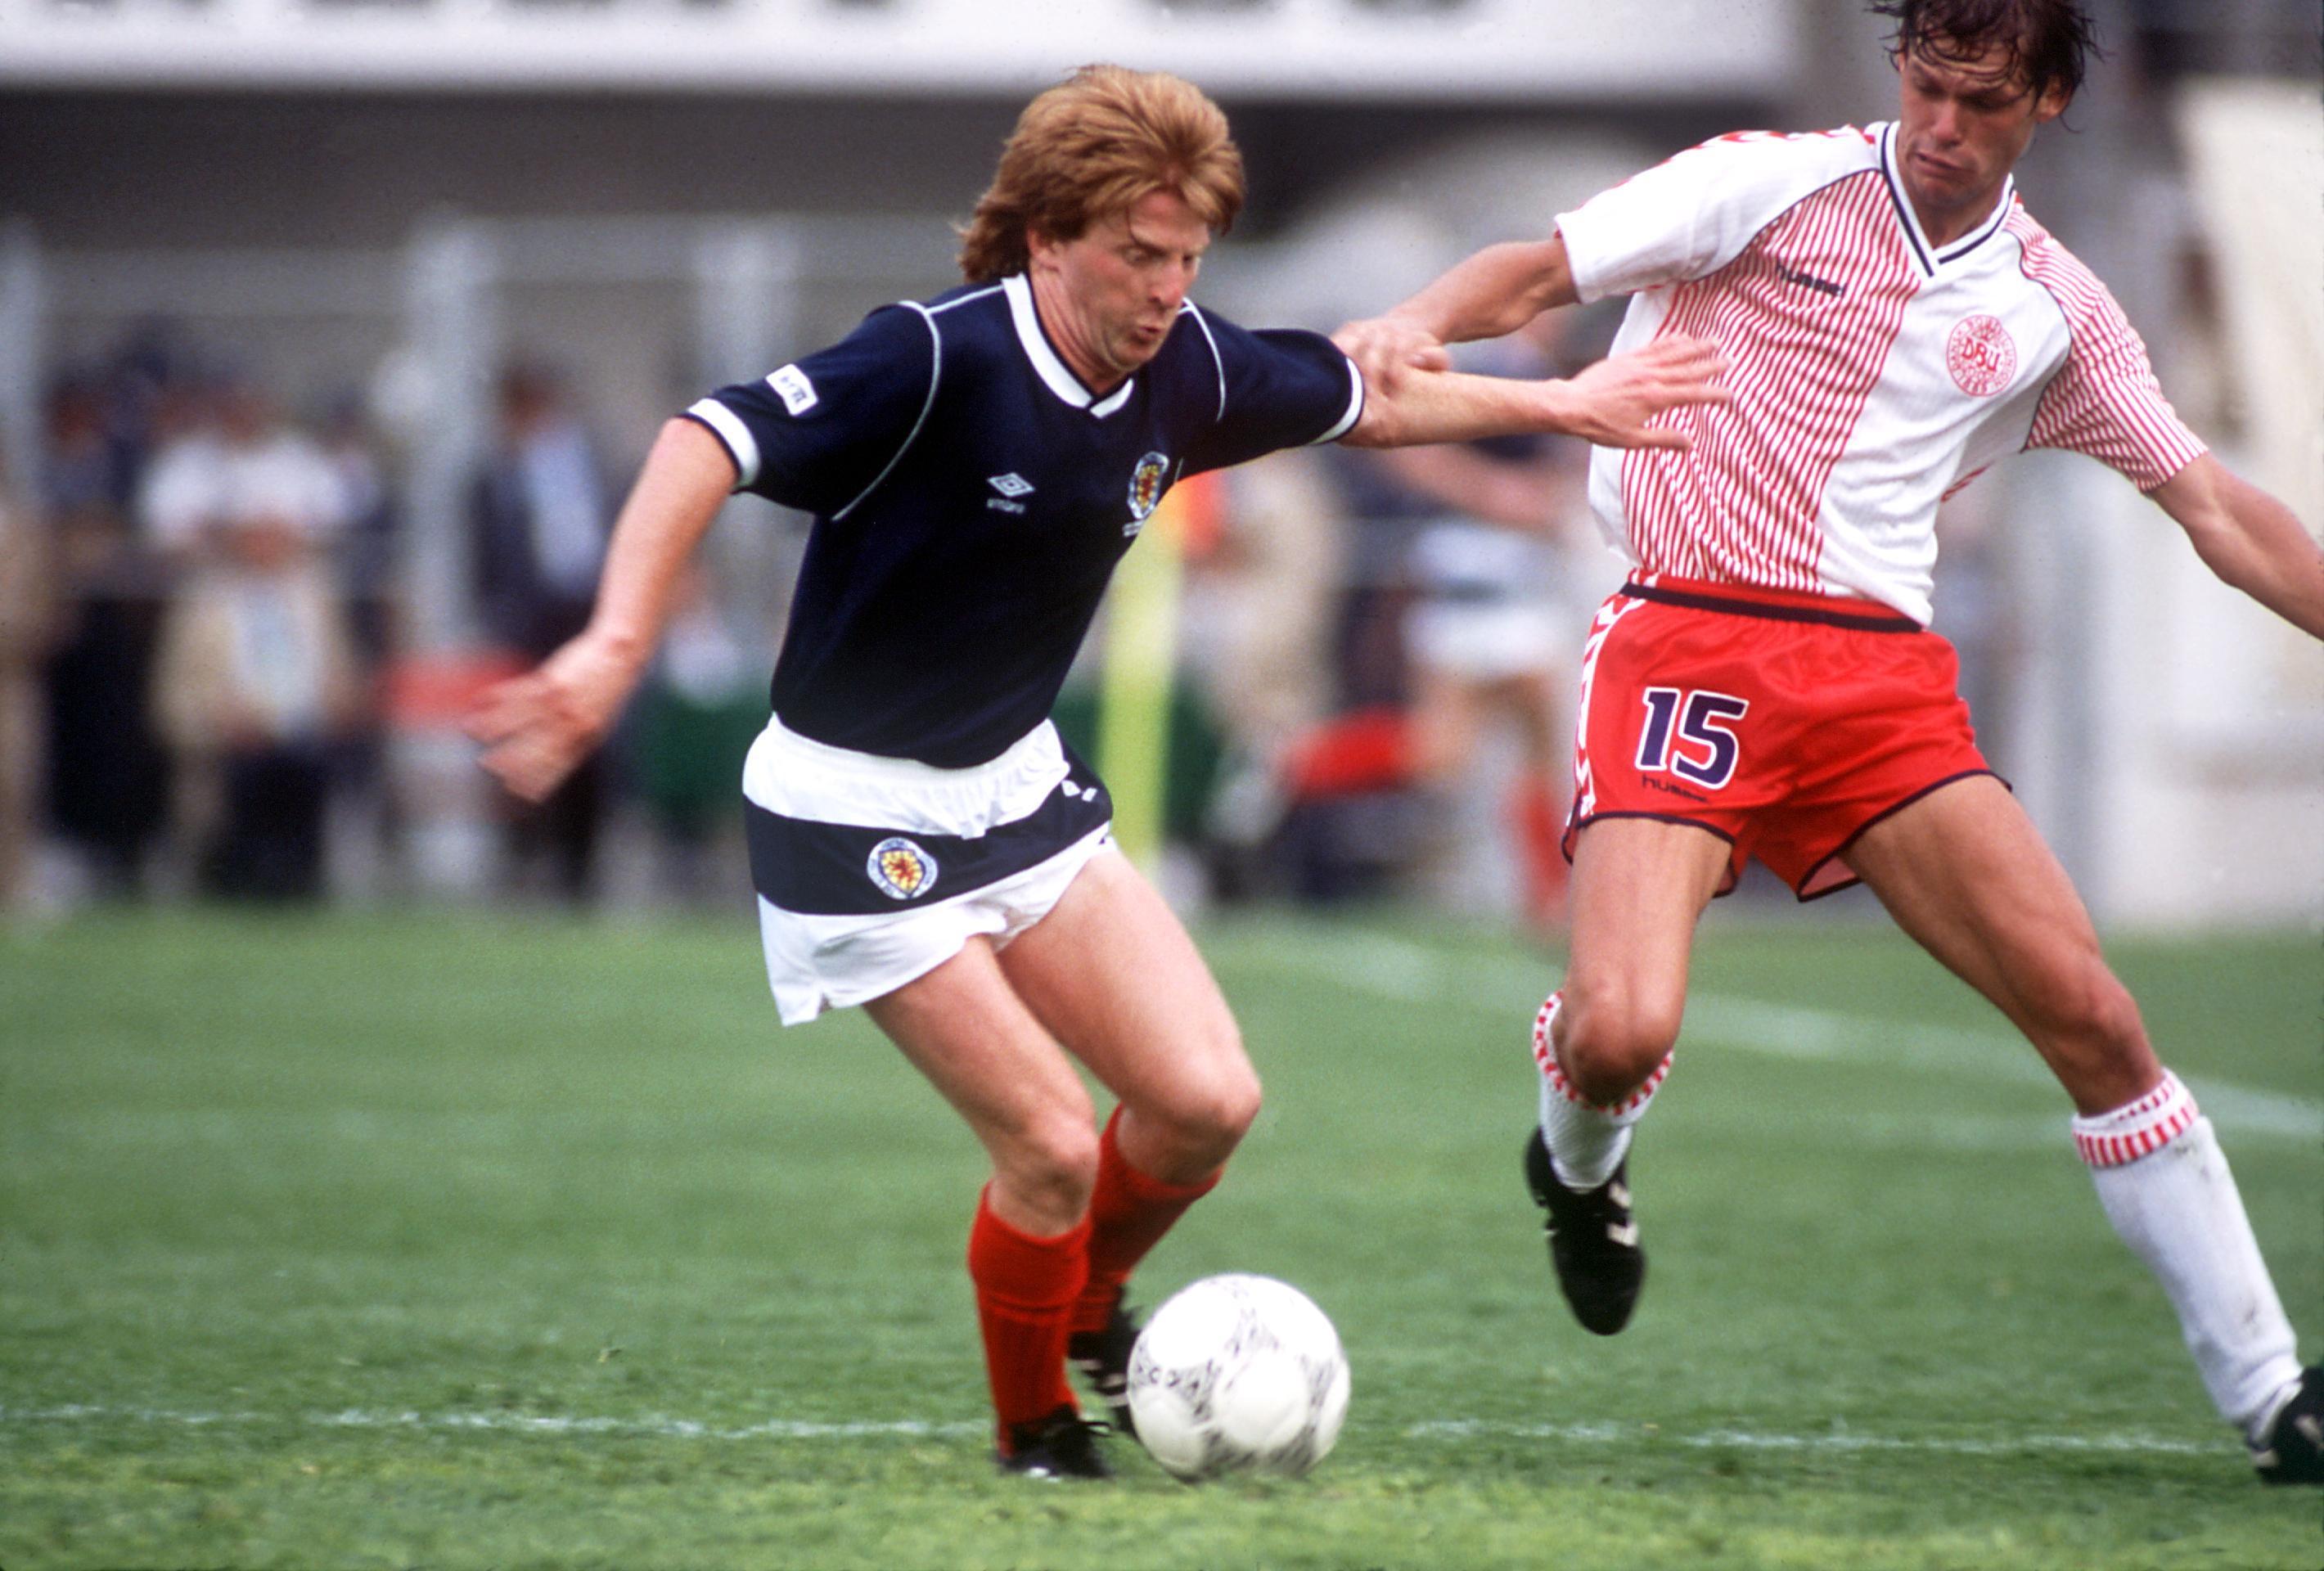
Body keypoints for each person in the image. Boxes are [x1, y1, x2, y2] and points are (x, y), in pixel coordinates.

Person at [467, 64, 1724, 1480]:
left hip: (1012, 788)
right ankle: (1036, 1433)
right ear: (1050, 235)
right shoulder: (935, 356)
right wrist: (615, 639)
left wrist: (1570, 405)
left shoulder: (1186, 364)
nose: (1165, 287)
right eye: (1138, 253)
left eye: (1187, 257)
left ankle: (1087, 1305)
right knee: (1054, 1146)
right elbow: (710, 438)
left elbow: (1367, 401)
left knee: (1203, 1105)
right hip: (849, 812)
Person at [1337, 0, 2323, 1486]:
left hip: (1880, 689)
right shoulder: (1766, 183)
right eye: (1927, 86)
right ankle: (1577, 1164)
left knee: (2099, 1025)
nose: (1942, 124)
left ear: (2045, 102)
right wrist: (1403, 330)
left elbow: (2216, 506)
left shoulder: (2056, 309)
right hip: (1685, 637)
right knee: (1619, 1033)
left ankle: (2272, 1400)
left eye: (1981, 101)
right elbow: (1532, 269)